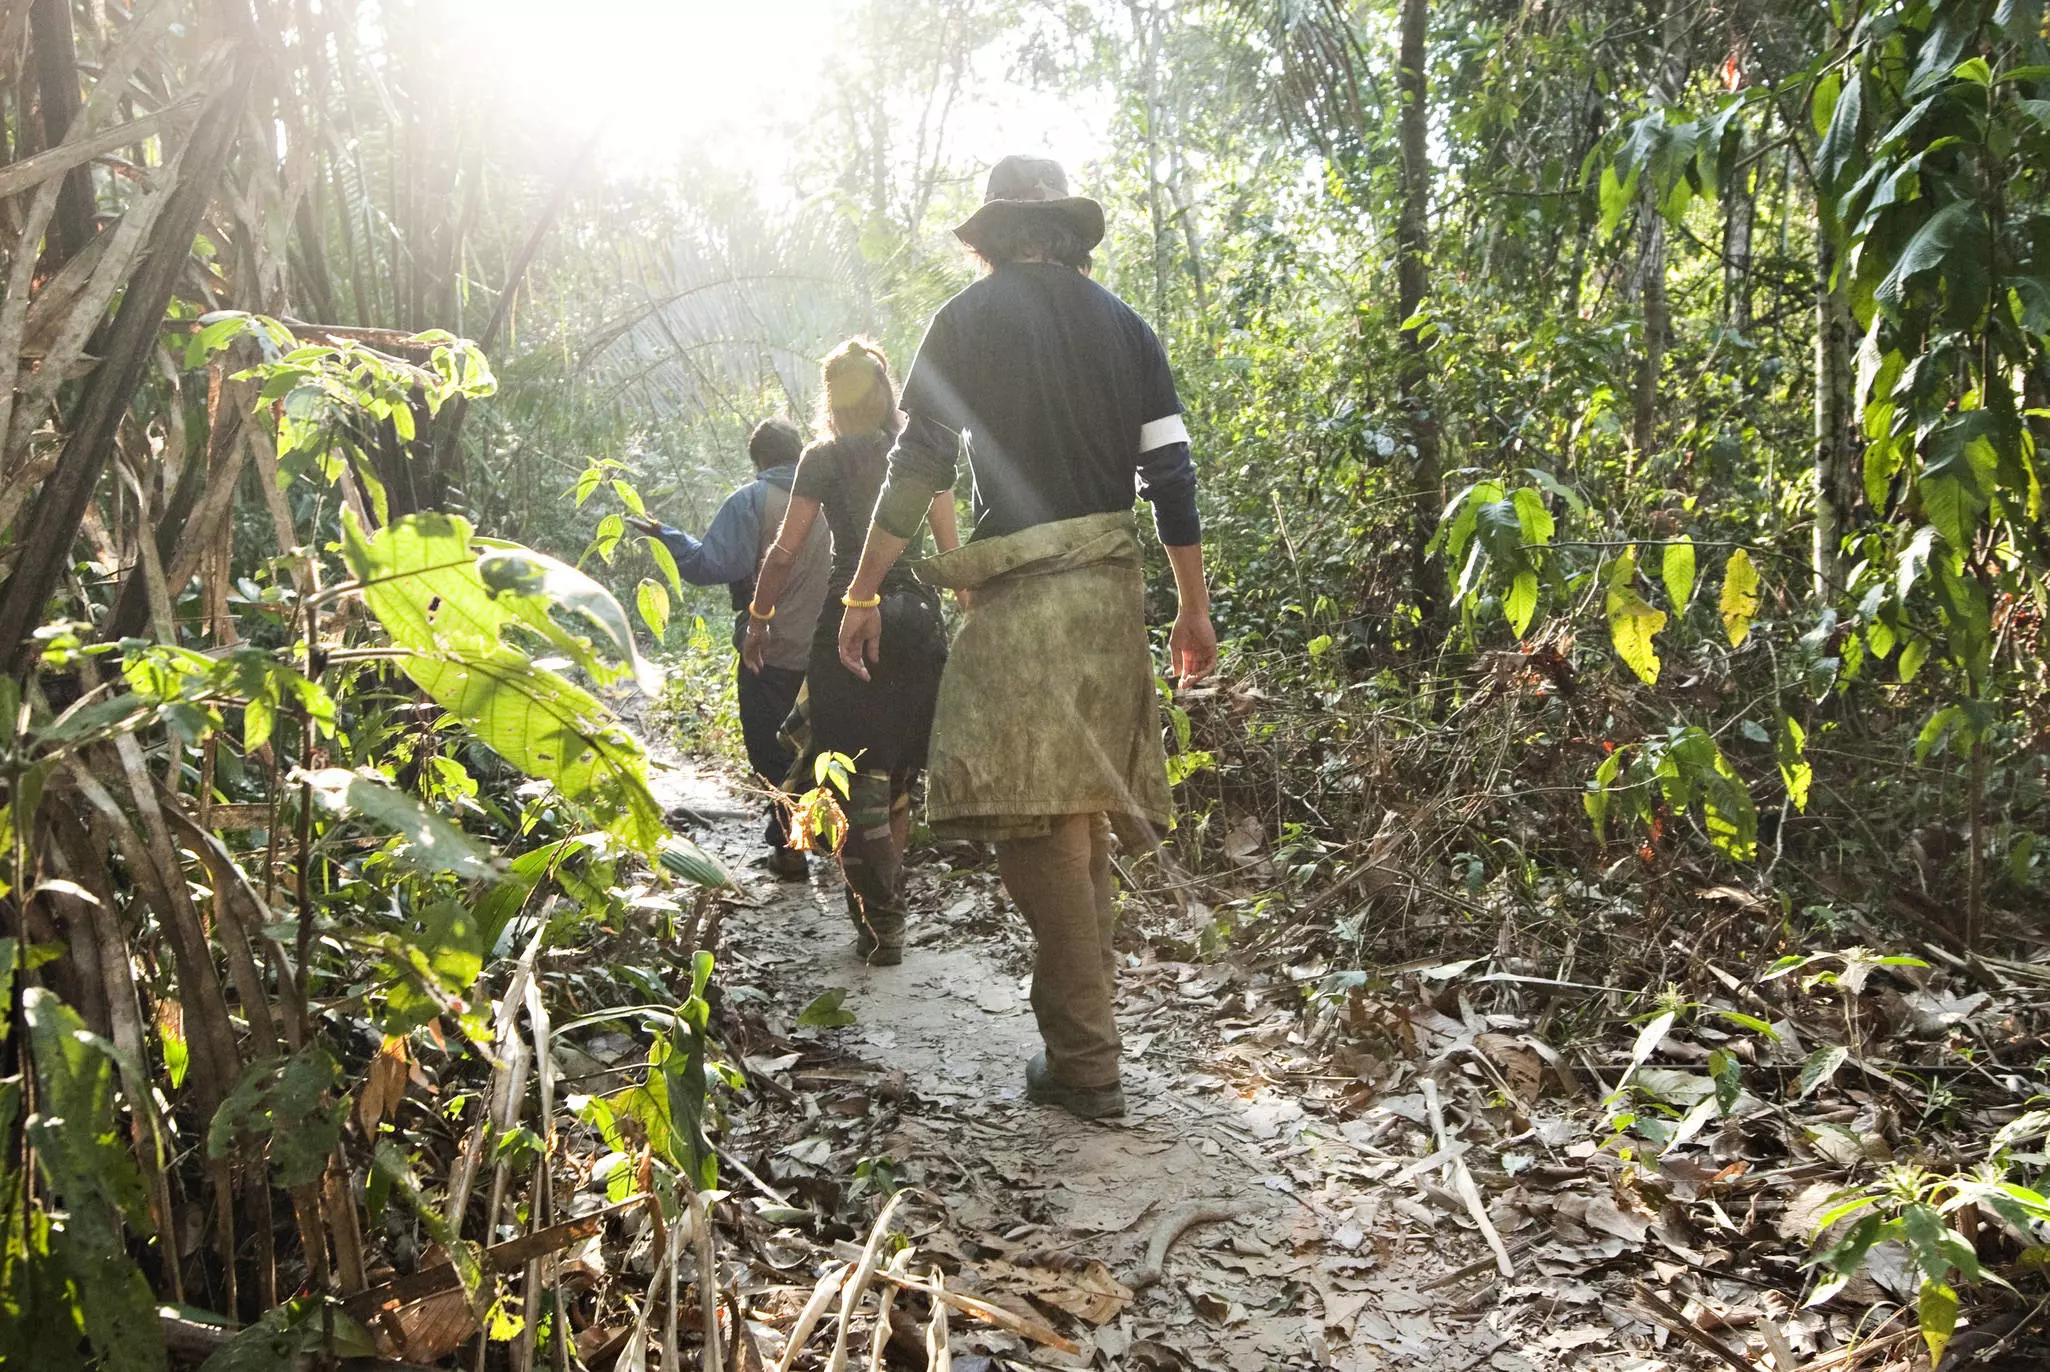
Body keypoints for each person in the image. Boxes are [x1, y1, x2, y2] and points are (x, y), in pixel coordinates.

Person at [834, 155, 1218, 1119]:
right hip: (1108, 594)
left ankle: (1087, 1060)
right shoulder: (1126, 325)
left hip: (1020, 589)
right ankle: (1081, 1040)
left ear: (995, 236)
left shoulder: (965, 321)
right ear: (1069, 235)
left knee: (1025, 812)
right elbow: (1170, 475)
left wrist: (862, 589)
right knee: (1075, 812)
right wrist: (1193, 607)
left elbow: (919, 463)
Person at [742, 341, 959, 965]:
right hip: (917, 622)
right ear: (888, 391)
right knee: (895, 776)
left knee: (849, 773)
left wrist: (759, 618)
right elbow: (947, 553)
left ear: (832, 396)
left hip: (847, 621)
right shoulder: (922, 451)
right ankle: (889, 910)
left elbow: (784, 553)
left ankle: (879, 917)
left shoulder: (823, 456)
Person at [626, 418, 829, 879]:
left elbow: (710, 565)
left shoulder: (751, 501)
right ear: (799, 453)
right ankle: (830, 840)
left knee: (771, 749)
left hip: (769, 649)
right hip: (830, 648)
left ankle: (790, 849)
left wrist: (666, 535)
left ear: (758, 459)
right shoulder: (833, 497)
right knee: (824, 744)